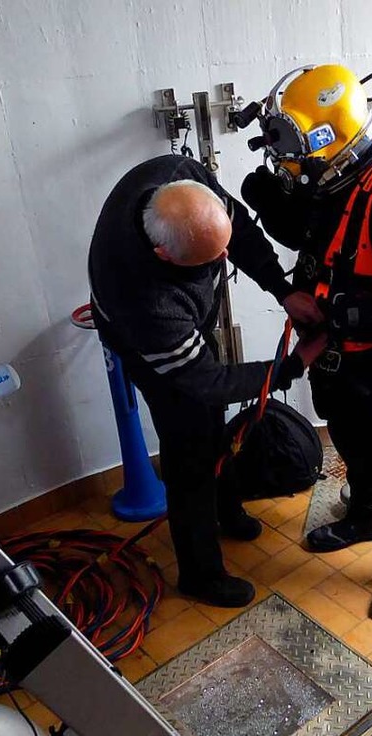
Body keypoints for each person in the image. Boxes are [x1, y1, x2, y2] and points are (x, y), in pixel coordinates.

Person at [241, 64, 372, 618]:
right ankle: (365, 514)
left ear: (333, 138)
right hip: (332, 346)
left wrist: (343, 316)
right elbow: (318, 234)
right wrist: (266, 198)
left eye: (301, 156)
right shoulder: (334, 179)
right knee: (344, 431)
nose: (295, 169)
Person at [89, 154, 325, 608]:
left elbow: (242, 237)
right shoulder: (145, 304)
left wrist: (283, 289)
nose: (223, 262)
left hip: (185, 324)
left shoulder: (183, 179)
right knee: (190, 448)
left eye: (223, 250)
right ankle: (200, 573)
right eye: (211, 260)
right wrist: (295, 365)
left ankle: (224, 509)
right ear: (165, 254)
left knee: (212, 425)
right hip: (144, 346)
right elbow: (210, 381)